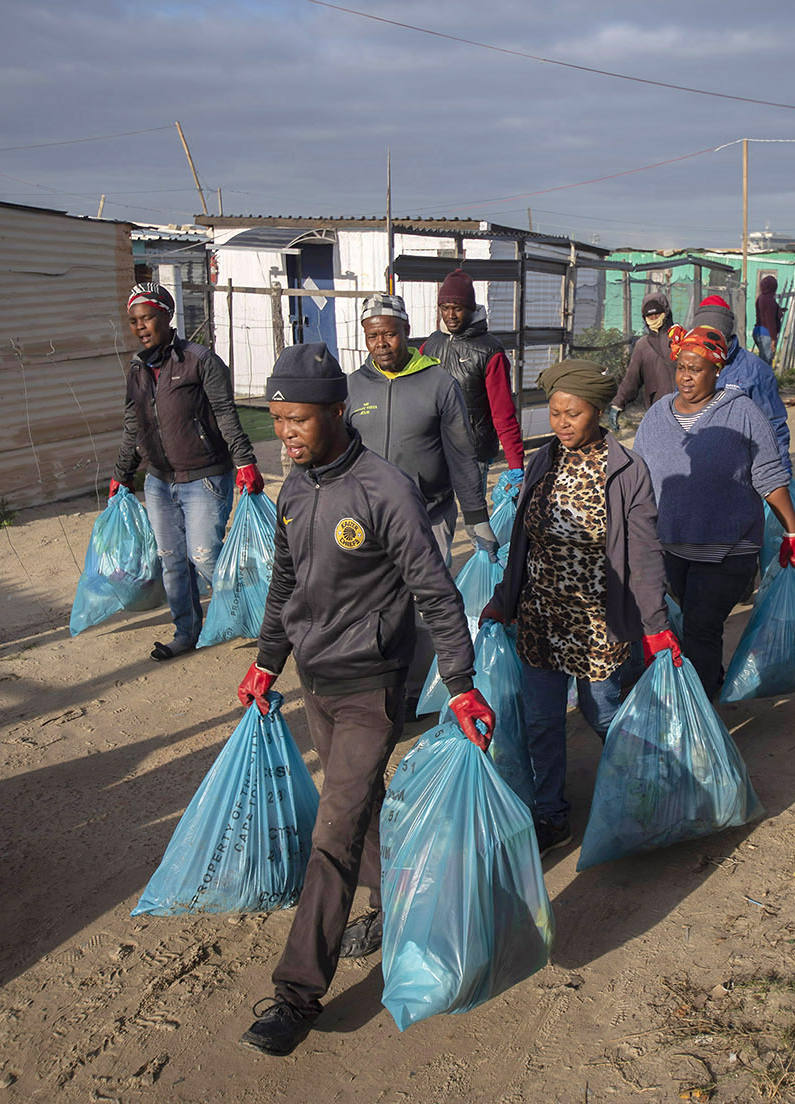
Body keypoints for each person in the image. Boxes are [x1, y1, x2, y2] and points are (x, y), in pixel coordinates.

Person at [234, 342, 496, 1057]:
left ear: (339, 412)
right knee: (361, 807)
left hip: (371, 686)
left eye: (299, 420)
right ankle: (387, 903)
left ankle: (295, 995)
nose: (286, 434)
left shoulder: (384, 490)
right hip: (315, 680)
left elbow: (435, 591)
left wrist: (463, 685)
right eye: (279, 420)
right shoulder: (293, 489)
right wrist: (266, 664)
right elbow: (284, 585)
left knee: (333, 831)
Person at [479, 359, 682, 856]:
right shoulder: (544, 461)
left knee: (604, 713)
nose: (561, 423)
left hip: (595, 621)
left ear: (597, 412)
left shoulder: (626, 472)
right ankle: (551, 814)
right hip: (542, 618)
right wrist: (505, 599)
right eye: (553, 413)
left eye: (572, 413)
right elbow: (522, 541)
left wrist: (655, 625)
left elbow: (644, 555)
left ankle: (641, 792)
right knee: (542, 721)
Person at [631, 325, 795, 701]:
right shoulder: (657, 416)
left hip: (730, 548)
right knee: (693, 626)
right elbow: (637, 475)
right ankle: (712, 678)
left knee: (701, 626)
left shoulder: (742, 413)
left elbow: (769, 476)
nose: (686, 377)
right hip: (674, 547)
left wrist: (793, 531)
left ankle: (701, 711)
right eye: (681, 368)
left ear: (717, 370)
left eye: (696, 369)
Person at [111, 282, 262, 661]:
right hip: (160, 481)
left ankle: (263, 620)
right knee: (171, 559)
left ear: (167, 315)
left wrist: (244, 461)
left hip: (205, 476)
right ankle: (186, 632)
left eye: (147, 317)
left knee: (205, 556)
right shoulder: (137, 368)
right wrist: (123, 472)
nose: (141, 327)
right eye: (133, 321)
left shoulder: (199, 360)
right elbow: (134, 423)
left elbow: (226, 413)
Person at [346, 292, 496, 565]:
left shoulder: (439, 384)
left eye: (389, 334)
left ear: (406, 331)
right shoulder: (353, 387)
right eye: (372, 336)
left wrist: (476, 515)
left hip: (430, 514)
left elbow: (461, 455)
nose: (381, 344)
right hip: (368, 517)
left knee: (428, 600)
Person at [420, 268, 524, 494]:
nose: (450, 315)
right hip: (434, 450)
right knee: (434, 521)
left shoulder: (489, 352)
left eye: (457, 308)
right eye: (445, 308)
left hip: (472, 454)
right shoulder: (430, 345)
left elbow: (503, 413)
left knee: (475, 523)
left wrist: (515, 464)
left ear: (470, 308)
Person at [691, 294, 793, 481]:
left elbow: (774, 425)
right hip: (701, 469)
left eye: (712, 337)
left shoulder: (755, 370)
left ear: (724, 335)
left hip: (744, 471)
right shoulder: (690, 367)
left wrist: (781, 474)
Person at [609, 290, 675, 431]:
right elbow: (631, 378)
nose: (653, 319)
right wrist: (617, 404)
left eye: (657, 314)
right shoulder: (642, 345)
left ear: (666, 312)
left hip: (687, 407)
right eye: (649, 316)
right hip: (658, 409)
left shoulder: (680, 337)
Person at [752, 274, 784, 364]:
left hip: (757, 331)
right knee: (765, 363)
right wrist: (773, 339)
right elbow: (770, 321)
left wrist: (778, 310)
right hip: (766, 334)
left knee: (762, 359)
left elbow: (763, 314)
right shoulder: (770, 301)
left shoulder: (760, 298)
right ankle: (762, 378)